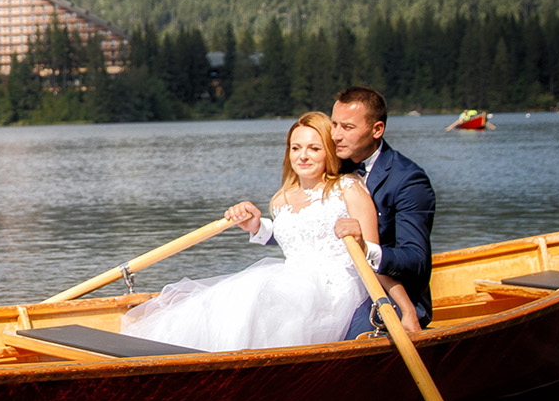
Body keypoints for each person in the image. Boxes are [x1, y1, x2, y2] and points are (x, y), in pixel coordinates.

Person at [120, 112, 416, 351]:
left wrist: (407, 311)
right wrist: (255, 225)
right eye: (296, 148)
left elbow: (373, 259)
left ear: (329, 151)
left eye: (314, 148)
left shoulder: (348, 188)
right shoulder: (280, 199)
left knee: (264, 301)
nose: (303, 156)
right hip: (290, 282)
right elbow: (295, 236)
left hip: (336, 291)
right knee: (231, 299)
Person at [325, 86, 435, 336]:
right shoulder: (330, 166)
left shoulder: (408, 180)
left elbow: (416, 260)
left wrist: (366, 249)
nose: (336, 136)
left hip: (389, 299)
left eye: (348, 127)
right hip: (334, 287)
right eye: (334, 124)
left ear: (377, 129)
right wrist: (261, 228)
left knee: (342, 335)